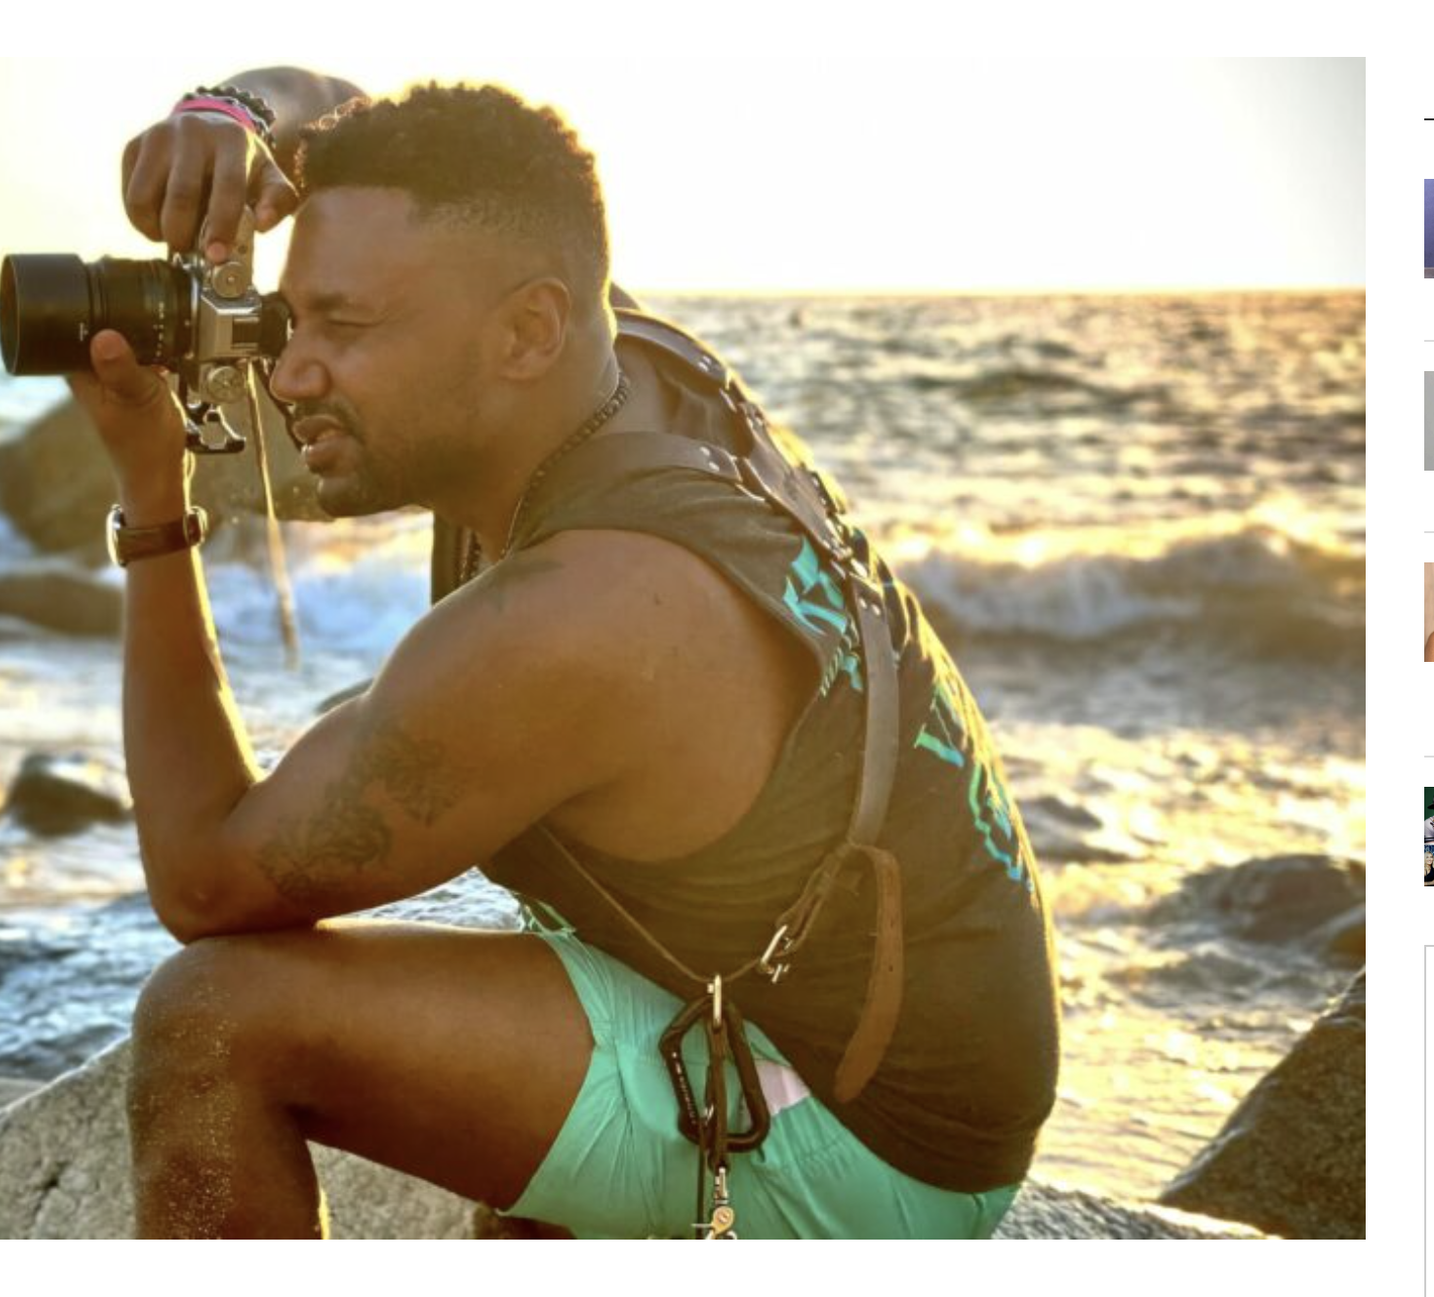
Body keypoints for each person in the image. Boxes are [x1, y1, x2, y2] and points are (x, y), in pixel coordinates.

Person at [64, 68, 1060, 1239]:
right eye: (291, 319)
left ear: (525, 330)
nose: (285, 374)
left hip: (882, 1145)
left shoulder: (588, 611)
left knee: (214, 1020)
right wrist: (232, 117)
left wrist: (152, 493)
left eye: (344, 327)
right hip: (878, 1025)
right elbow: (399, 141)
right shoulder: (608, 354)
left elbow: (203, 882)